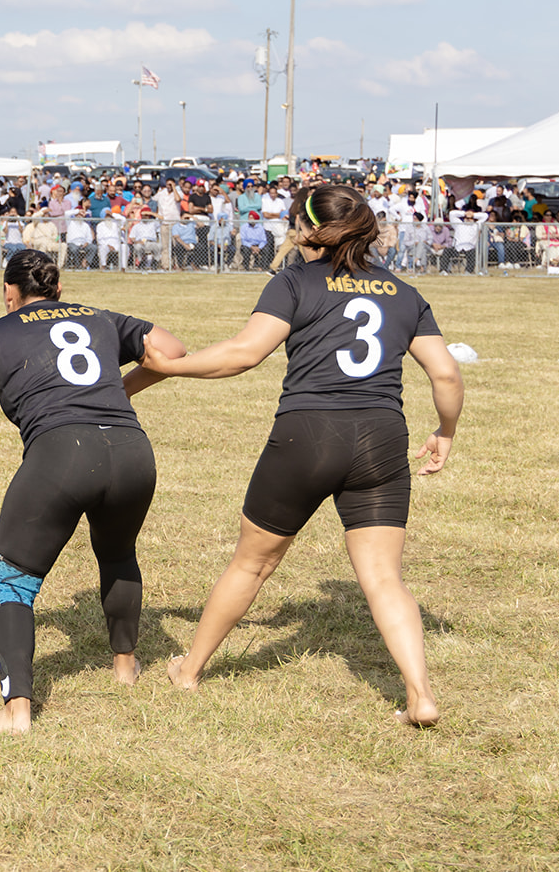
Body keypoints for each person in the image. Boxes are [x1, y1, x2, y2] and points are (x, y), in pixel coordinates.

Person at [139, 184, 463, 727]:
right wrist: (446, 430)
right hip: (382, 438)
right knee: (384, 578)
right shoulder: (404, 291)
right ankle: (420, 696)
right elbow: (446, 373)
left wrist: (171, 368)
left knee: (253, 563)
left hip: (308, 434)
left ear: (307, 229)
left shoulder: (293, 280)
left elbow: (244, 354)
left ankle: (189, 670)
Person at [0, 250, 185, 733]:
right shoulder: (100, 317)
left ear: (9, 293)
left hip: (63, 455)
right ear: (58, 290)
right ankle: (125, 669)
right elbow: (173, 350)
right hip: (132, 451)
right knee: (118, 553)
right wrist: (120, 391)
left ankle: (15, 712)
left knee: (12, 581)